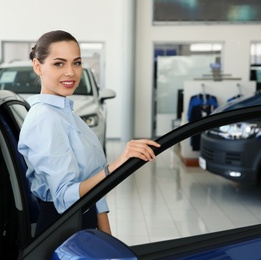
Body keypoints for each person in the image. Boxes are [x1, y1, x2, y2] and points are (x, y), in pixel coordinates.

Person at [18, 30, 160, 236]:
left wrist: (108, 241)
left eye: (76, 63)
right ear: (38, 66)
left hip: (84, 226)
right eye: (59, 63)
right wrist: (117, 164)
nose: (71, 72)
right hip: (62, 233)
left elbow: (94, 188)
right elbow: (65, 197)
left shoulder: (68, 114)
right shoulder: (44, 119)